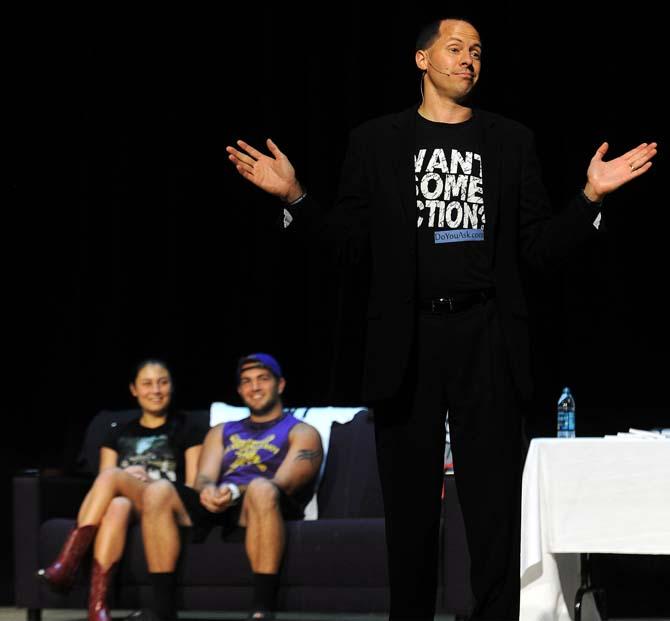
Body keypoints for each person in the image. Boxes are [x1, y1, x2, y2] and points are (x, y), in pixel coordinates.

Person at [225, 16, 657, 620]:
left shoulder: (511, 141)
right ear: (422, 60)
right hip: (409, 341)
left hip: (488, 340)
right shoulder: (375, 142)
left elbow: (538, 251)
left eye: (477, 51)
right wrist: (295, 198)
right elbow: (346, 248)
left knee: (493, 512)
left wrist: (589, 199)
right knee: (410, 515)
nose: (469, 59)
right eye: (455, 48)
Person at [126, 353, 323, 621]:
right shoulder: (222, 431)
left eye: (263, 379)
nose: (254, 387)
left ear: (280, 385)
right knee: (158, 490)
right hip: (222, 503)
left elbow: (284, 482)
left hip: (263, 503)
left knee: (261, 488)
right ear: (240, 389)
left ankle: (261, 610)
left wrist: (235, 491)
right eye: (247, 381)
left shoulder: (301, 431)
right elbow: (204, 477)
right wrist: (207, 490)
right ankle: (163, 610)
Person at [37, 359, 206, 621]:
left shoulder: (189, 427)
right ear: (134, 390)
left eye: (163, 383)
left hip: (172, 504)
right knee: (117, 505)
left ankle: (67, 564)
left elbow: (194, 485)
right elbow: (104, 486)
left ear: (171, 387)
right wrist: (127, 478)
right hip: (130, 505)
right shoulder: (116, 433)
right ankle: (98, 609)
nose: (156, 390)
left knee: (115, 477)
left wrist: (147, 483)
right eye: (147, 384)